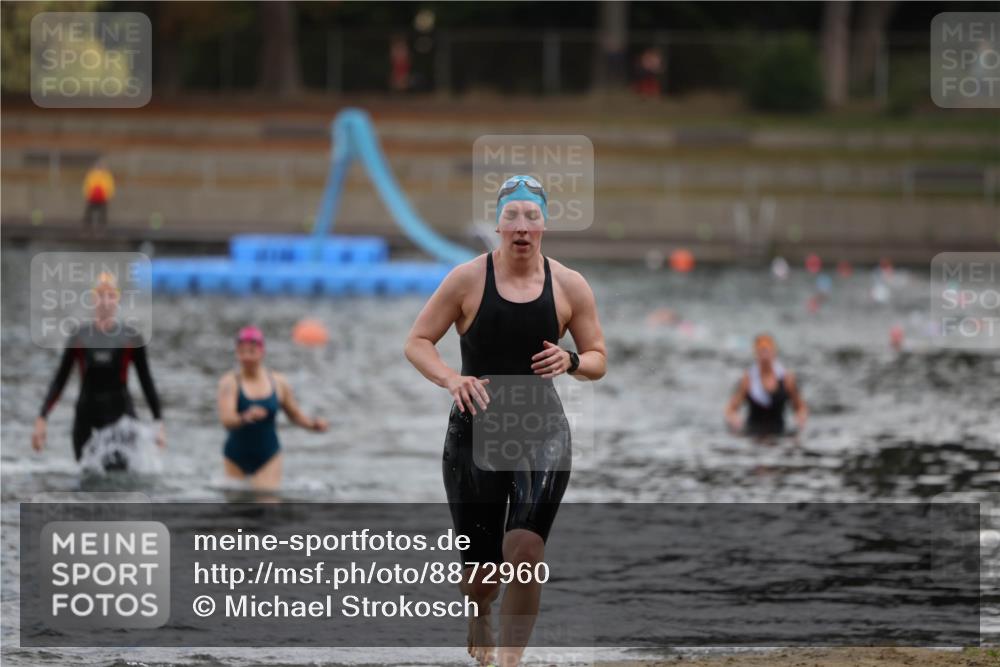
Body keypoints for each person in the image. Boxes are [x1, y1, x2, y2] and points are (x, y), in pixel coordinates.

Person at [404, 175, 607, 667]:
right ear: (498, 225)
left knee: (526, 549)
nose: (521, 226)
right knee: (482, 579)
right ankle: (480, 610)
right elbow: (417, 342)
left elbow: (598, 357)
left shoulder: (570, 285)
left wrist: (572, 361)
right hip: (475, 431)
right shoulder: (467, 280)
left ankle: (512, 661)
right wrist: (451, 379)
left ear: (544, 225)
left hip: (542, 431)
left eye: (531, 216)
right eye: (511, 216)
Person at [32, 272, 165, 469]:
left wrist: (158, 422)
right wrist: (42, 418)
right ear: (93, 299)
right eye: (101, 295)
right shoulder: (79, 337)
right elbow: (60, 380)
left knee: (120, 480)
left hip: (121, 421)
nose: (105, 301)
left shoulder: (131, 338)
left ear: (117, 299)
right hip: (86, 420)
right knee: (87, 477)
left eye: (111, 296)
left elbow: (146, 381)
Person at [216, 326, 329, 491]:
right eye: (241, 352)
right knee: (238, 502)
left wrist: (313, 425)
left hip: (268, 455)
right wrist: (245, 417)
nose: (246, 357)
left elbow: (294, 415)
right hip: (235, 456)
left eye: (251, 352)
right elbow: (226, 420)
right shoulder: (229, 382)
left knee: (266, 499)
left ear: (262, 352)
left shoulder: (278, 382)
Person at [725, 333, 807, 438]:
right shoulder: (748, 379)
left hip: (779, 434)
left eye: (767, 351)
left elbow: (800, 407)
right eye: (761, 351)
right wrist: (734, 419)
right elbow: (731, 409)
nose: (764, 355)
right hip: (753, 434)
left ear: (774, 352)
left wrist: (800, 418)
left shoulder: (786, 378)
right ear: (756, 353)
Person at [82, 159, 115, 229]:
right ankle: (87, 226)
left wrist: (108, 195)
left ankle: (101, 226)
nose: (100, 167)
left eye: (101, 166)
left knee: (102, 213)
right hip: (93, 196)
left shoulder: (106, 175)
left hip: (103, 197)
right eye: (99, 166)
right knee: (89, 212)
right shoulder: (92, 174)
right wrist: (87, 194)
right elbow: (87, 185)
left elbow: (110, 186)